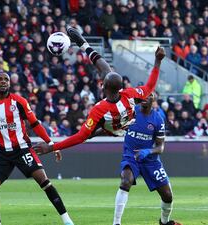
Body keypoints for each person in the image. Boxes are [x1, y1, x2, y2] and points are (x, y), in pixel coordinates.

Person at [0, 72, 74, 225]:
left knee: (43, 180)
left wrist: (51, 144)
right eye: (0, 79)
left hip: (22, 148)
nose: (3, 82)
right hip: (2, 152)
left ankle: (67, 220)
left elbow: (35, 124)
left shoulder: (19, 101)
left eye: (6, 79)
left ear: (9, 84)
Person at [34, 27, 165, 154]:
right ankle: (83, 44)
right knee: (107, 72)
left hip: (112, 128)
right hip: (125, 121)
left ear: (103, 87)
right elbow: (149, 87)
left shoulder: (99, 110)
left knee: (88, 133)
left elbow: (80, 137)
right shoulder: (129, 94)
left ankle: (83, 44)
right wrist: (158, 61)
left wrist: (51, 148)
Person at [111, 93, 181, 225]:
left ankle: (164, 222)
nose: (144, 99)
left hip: (150, 161)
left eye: (148, 97)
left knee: (168, 196)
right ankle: (116, 223)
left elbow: (160, 147)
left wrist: (148, 151)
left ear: (153, 100)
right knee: (126, 181)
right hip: (131, 156)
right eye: (142, 96)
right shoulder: (130, 112)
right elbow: (113, 127)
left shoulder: (158, 119)